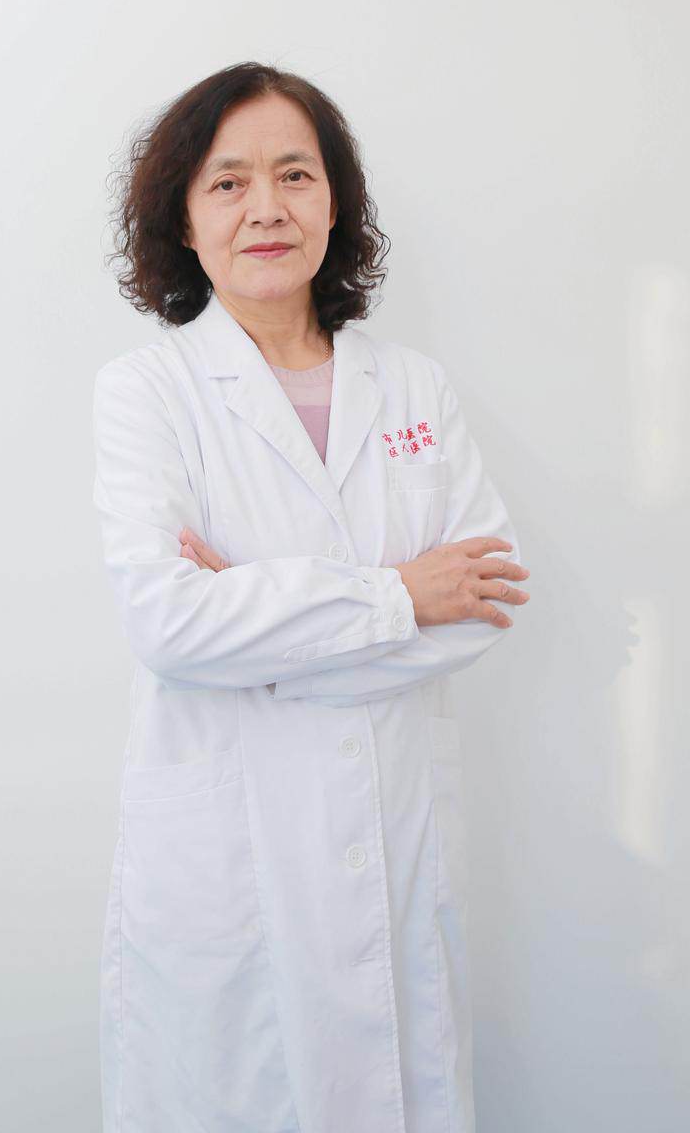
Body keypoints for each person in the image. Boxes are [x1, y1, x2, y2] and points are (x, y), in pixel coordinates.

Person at [92, 60, 531, 1133]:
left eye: (295, 174)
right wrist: (397, 596)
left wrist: (258, 631)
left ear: (335, 201)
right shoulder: (147, 394)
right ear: (184, 219)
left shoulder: (413, 386)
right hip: (231, 860)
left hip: (392, 835)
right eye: (228, 182)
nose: (267, 208)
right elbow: (168, 624)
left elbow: (480, 598)